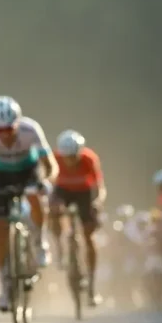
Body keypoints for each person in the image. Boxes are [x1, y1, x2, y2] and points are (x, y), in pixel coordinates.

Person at [0, 96, 57, 312]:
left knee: (36, 198)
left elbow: (51, 166)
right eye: (1, 130)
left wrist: (46, 181)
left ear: (18, 123)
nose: (6, 134)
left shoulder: (31, 129)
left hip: (29, 170)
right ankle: (5, 285)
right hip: (2, 175)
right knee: (0, 228)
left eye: (10, 129)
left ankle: (39, 241)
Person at [50, 129, 106, 306]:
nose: (70, 161)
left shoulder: (89, 159)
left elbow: (100, 187)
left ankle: (91, 282)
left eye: (73, 157)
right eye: (67, 157)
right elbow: (48, 182)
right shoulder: (55, 158)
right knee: (52, 209)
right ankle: (59, 247)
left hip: (84, 193)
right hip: (62, 191)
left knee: (88, 236)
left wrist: (97, 203)